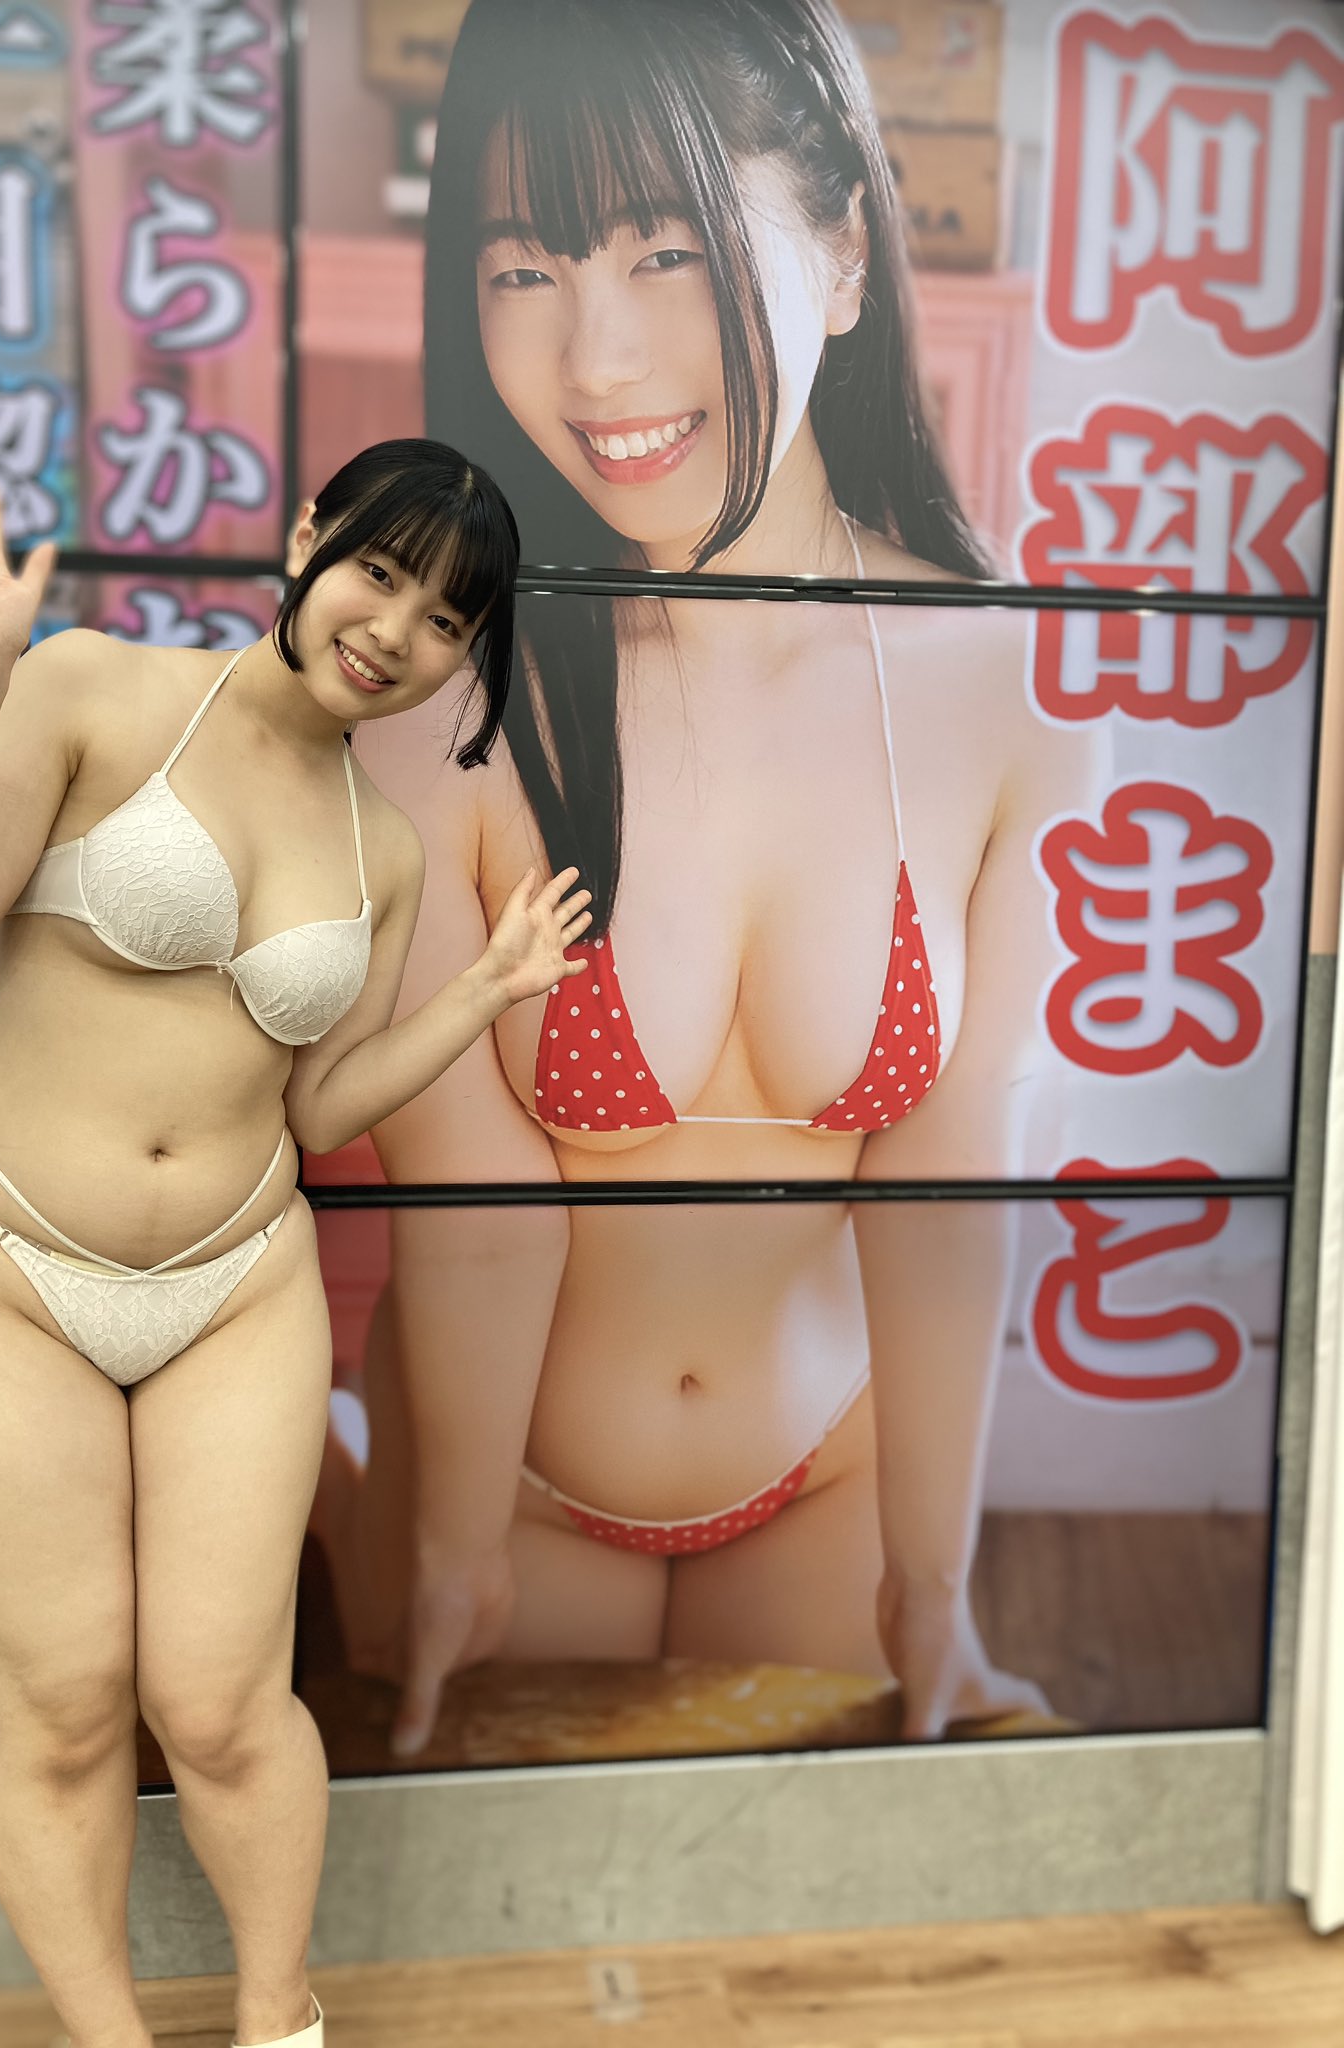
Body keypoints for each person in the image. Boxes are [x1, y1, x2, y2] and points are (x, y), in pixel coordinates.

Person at [321, 0, 1095, 1759]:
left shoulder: (999, 682)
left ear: (844, 253)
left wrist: (933, 1584)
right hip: (510, 1481)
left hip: (829, 1474)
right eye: (523, 270)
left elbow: (950, 1179)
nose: (596, 362)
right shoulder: (444, 697)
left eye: (664, 252)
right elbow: (470, 1201)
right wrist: (452, 1556)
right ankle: (341, 1479)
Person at [0, 441, 590, 2048]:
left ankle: (280, 2022)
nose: (395, 632)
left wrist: (480, 995)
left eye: (447, 621)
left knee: (223, 1706)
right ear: (311, 537)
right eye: (380, 573)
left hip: (234, 1289)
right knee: (63, 1711)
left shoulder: (385, 851)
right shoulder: (94, 688)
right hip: (4, 1278)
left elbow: (320, 1105)